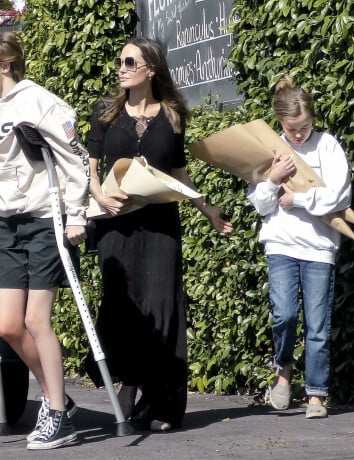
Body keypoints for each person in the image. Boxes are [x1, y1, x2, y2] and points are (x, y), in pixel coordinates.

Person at [84, 37, 233, 432]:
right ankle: (130, 391)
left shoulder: (172, 115)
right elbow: (91, 168)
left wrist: (207, 208)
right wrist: (100, 197)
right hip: (117, 223)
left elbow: (179, 174)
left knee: (164, 309)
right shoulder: (105, 113)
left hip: (161, 223)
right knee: (124, 306)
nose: (122, 67)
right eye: (119, 61)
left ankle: (163, 404)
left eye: (130, 61)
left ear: (150, 69)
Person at [0, 32, 89, 449]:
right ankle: (60, 398)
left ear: (4, 65)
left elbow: (76, 158)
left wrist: (77, 214)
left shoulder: (41, 103)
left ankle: (55, 411)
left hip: (44, 220)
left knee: (38, 321)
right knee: (9, 326)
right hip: (7, 224)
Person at [247, 76, 353, 419]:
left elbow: (340, 195)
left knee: (318, 325)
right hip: (280, 243)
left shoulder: (327, 146)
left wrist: (299, 198)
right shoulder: (270, 149)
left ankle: (317, 394)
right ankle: (283, 371)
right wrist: (273, 179)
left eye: (304, 127)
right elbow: (261, 205)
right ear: (280, 122)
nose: (298, 135)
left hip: (319, 247)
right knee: (285, 314)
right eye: (292, 129)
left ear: (312, 119)